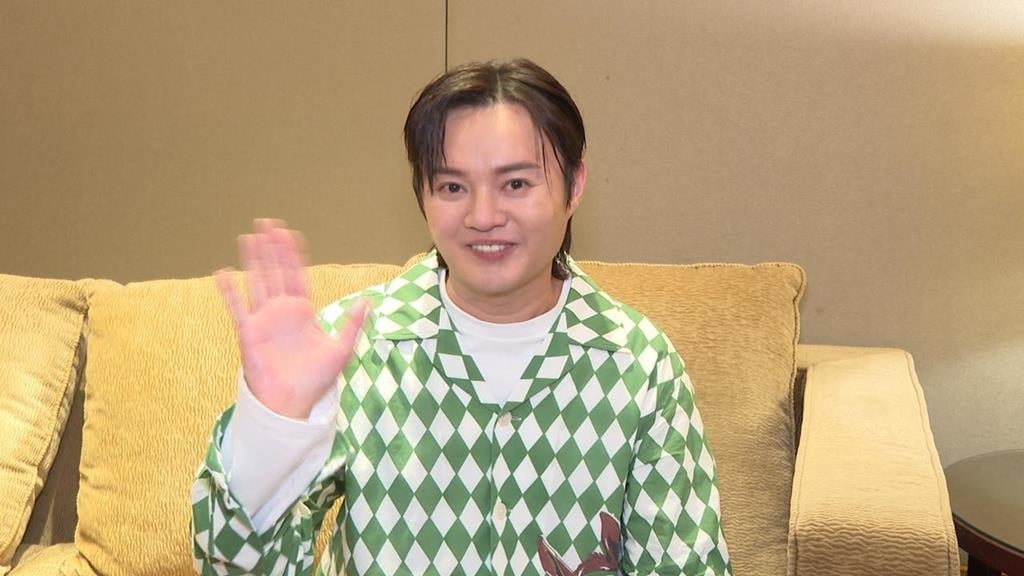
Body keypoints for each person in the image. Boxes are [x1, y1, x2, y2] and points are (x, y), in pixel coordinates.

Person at [191, 58, 731, 576]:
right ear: (422, 197)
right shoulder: (347, 350)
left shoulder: (640, 365)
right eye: (453, 187)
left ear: (574, 186)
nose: (483, 216)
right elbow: (237, 568)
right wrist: (270, 429)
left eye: (515, 184)